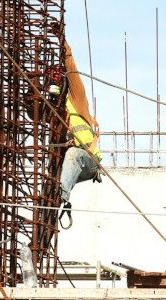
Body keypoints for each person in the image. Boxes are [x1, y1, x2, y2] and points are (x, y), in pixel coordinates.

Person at [58, 40, 102, 227]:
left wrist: (65, 49)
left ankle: (62, 194)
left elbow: (73, 74)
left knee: (74, 153)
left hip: (89, 161)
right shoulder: (55, 114)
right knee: (66, 157)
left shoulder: (75, 100)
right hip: (72, 166)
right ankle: (58, 195)